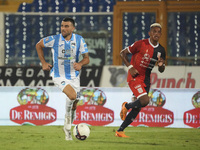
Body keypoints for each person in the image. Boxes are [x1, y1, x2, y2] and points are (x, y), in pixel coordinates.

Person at [36, 17, 90, 140]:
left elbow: (87, 58)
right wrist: (43, 63)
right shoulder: (54, 39)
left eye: (66, 26)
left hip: (74, 76)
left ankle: (68, 128)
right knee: (72, 96)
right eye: (62, 26)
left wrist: (81, 63)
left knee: (75, 104)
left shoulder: (79, 40)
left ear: (73, 28)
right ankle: (67, 127)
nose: (63, 28)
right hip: (58, 75)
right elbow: (38, 45)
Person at [115, 23, 166, 138]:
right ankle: (126, 106)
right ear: (150, 33)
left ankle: (120, 131)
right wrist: (130, 67)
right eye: (154, 31)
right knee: (144, 100)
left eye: (159, 32)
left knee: (138, 108)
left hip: (146, 79)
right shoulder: (141, 44)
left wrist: (161, 64)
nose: (156, 34)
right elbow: (122, 53)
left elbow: (161, 69)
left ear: (161, 34)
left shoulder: (161, 50)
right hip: (135, 76)